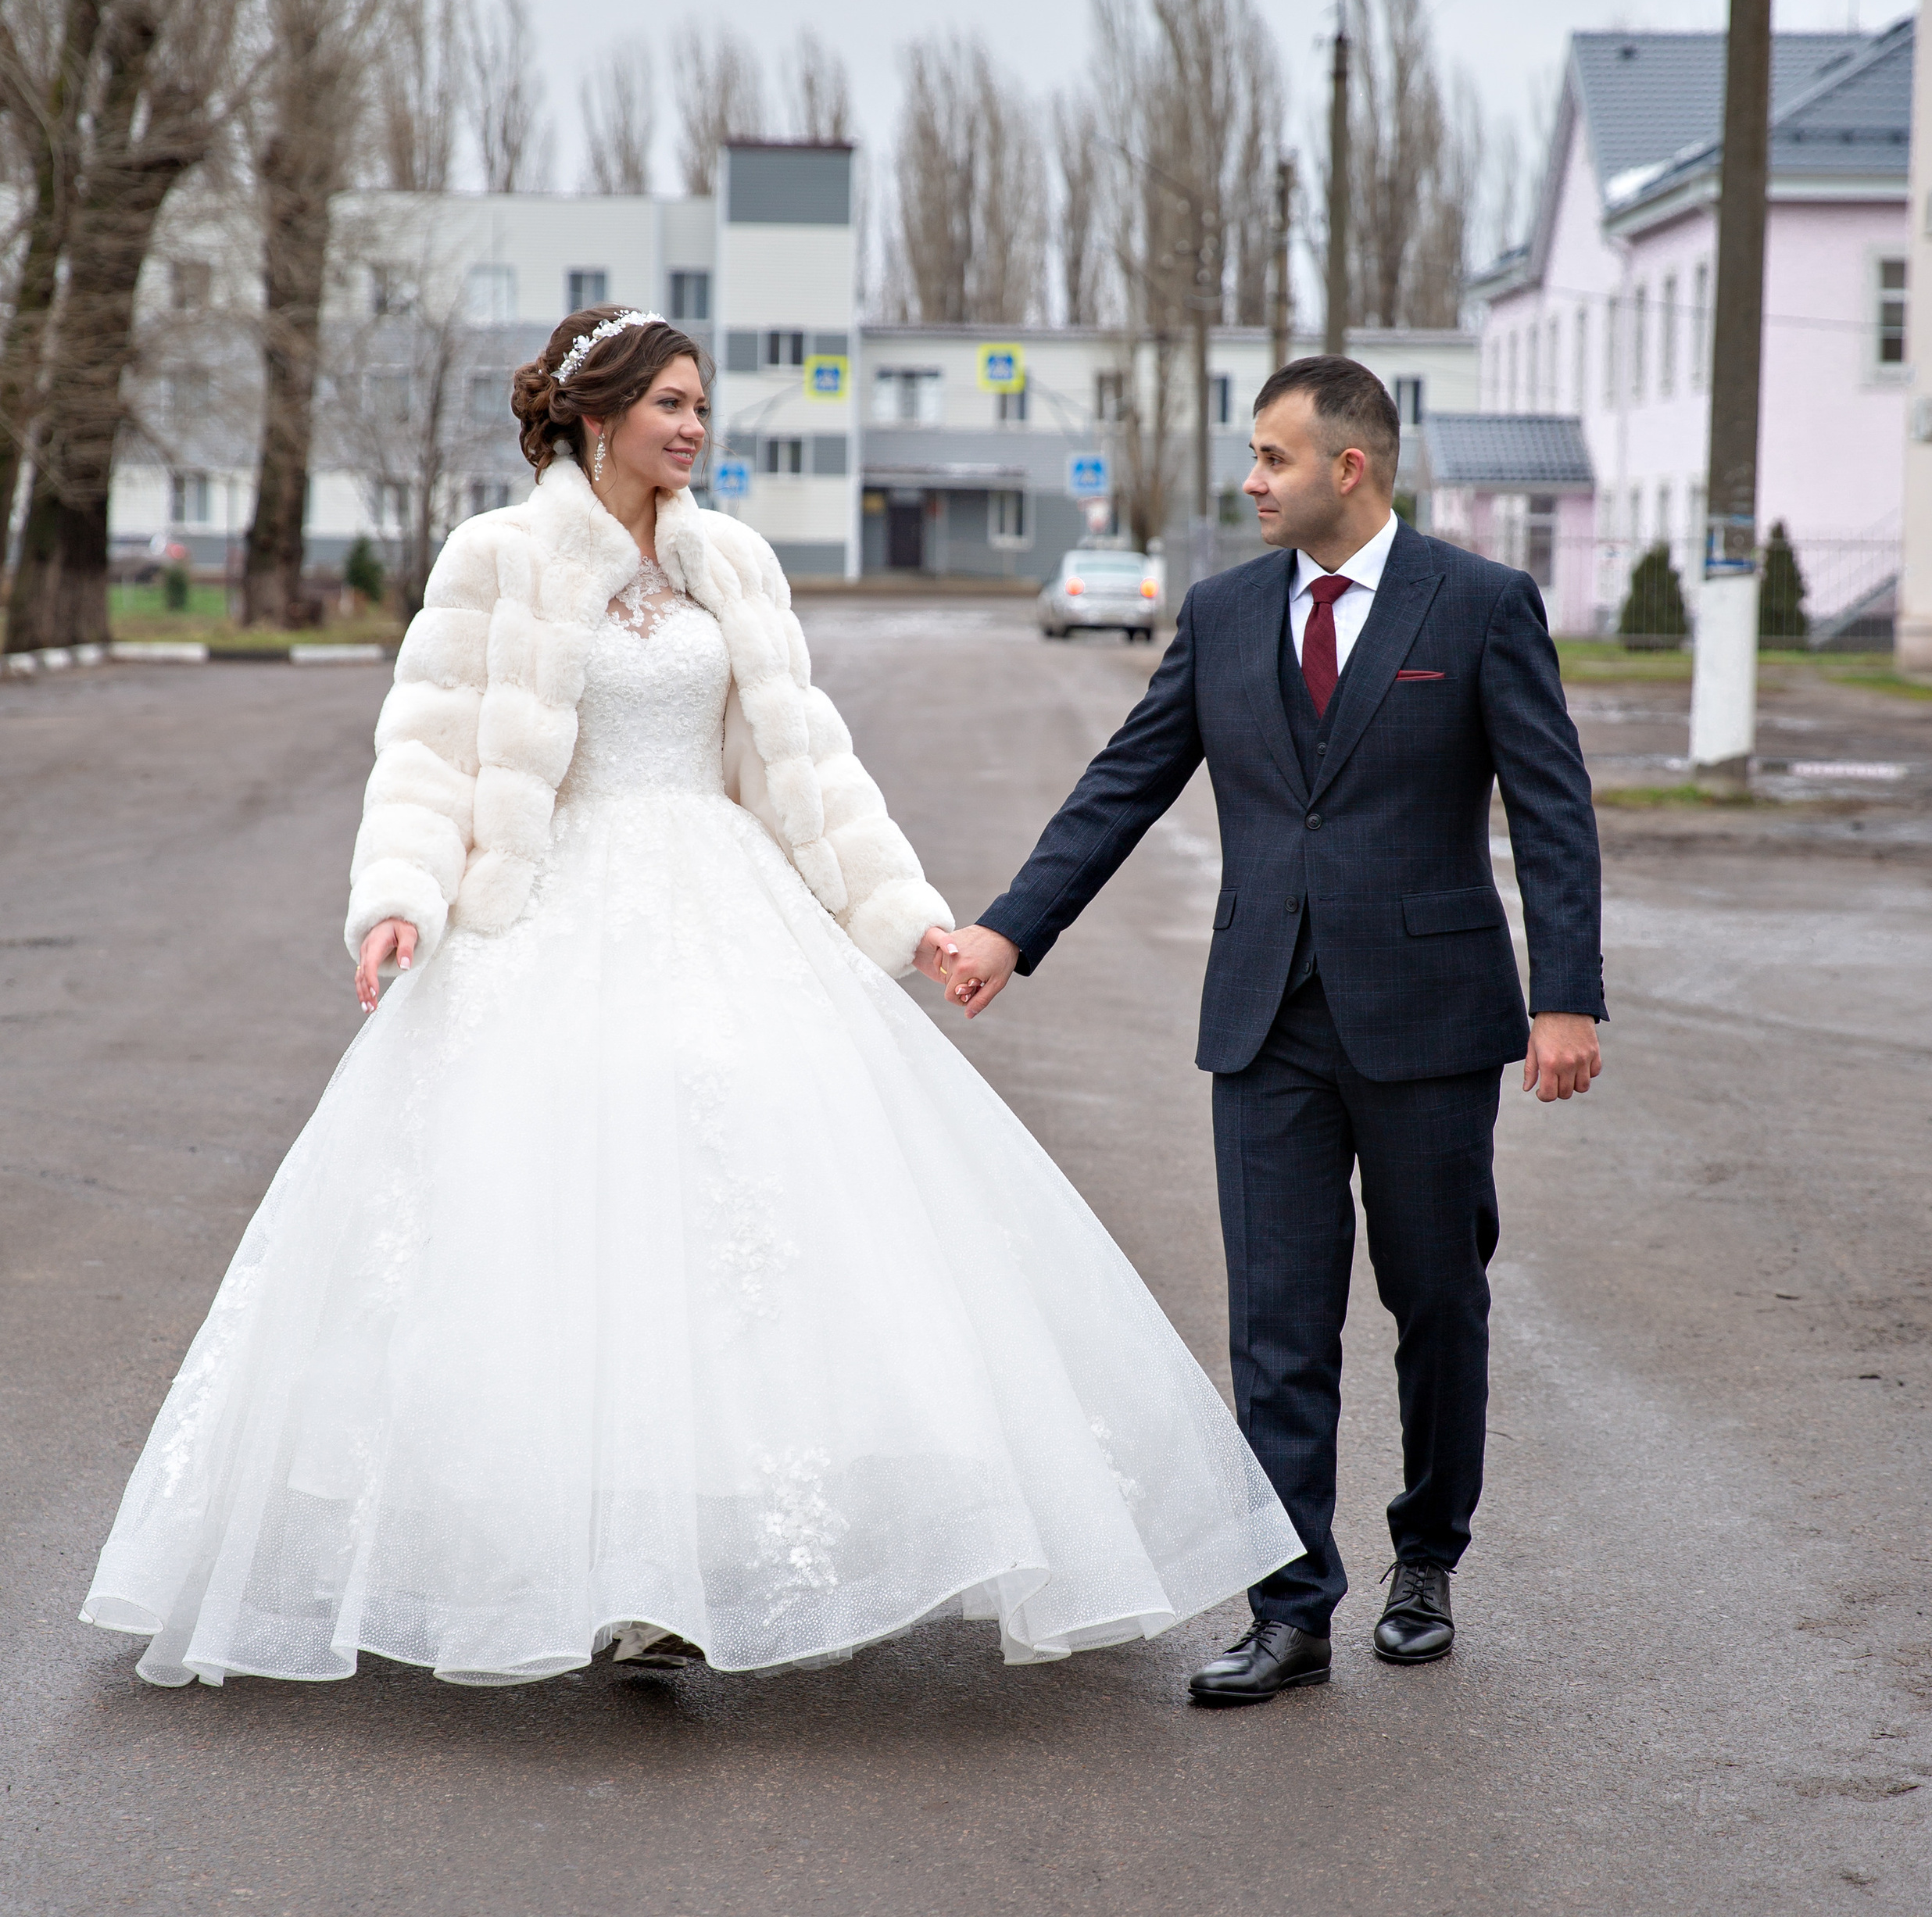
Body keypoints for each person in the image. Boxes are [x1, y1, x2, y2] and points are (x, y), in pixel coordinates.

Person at [83, 308, 1297, 1690]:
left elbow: (811, 767)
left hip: (728, 909)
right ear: (597, 417)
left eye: (701, 406)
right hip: (548, 912)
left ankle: (682, 1573)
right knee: (557, 1243)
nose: (694, 428)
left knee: (745, 1236)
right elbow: (424, 752)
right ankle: (577, 1560)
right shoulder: (499, 559)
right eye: (670, 403)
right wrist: (401, 897)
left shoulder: (733, 560)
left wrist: (914, 924)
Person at [944, 357, 1605, 1706]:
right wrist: (1013, 927)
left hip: (1426, 1021)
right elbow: (1125, 781)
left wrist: (1566, 994)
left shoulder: (1477, 605)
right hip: (1265, 1020)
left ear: (1346, 468)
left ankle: (1426, 1560)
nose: (1250, 482)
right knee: (1277, 1327)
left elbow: (1552, 807)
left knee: (1436, 1302)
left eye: (1272, 459)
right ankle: (1292, 1606)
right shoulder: (1226, 612)